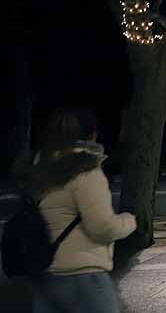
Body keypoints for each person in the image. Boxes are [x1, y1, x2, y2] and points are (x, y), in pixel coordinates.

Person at [13, 107, 137, 313]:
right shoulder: (85, 171)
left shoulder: (37, 172)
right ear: (92, 135)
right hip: (84, 276)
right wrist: (129, 221)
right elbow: (101, 226)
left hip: (45, 276)